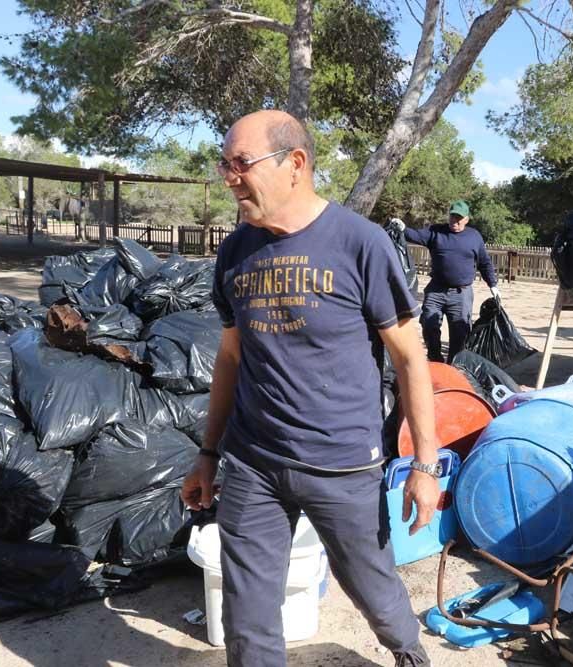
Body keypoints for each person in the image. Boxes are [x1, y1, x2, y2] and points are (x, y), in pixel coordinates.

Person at [181, 110, 439, 667]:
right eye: (224, 164)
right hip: (253, 462)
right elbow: (230, 357)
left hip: (342, 463)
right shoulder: (235, 251)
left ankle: (409, 653)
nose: (229, 177)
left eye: (241, 163)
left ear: (295, 163)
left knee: (372, 588)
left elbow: (411, 359)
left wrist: (425, 465)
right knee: (246, 618)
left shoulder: (360, 244)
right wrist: (207, 453)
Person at [390, 201, 498, 363]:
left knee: (460, 332)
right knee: (428, 322)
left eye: (459, 218)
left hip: (461, 294)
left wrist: (493, 285)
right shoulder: (436, 232)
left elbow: (484, 262)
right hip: (436, 290)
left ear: (467, 219)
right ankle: (435, 359)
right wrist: (403, 228)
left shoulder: (474, 236)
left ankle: (454, 365)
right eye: (452, 217)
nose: (455, 221)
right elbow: (416, 235)